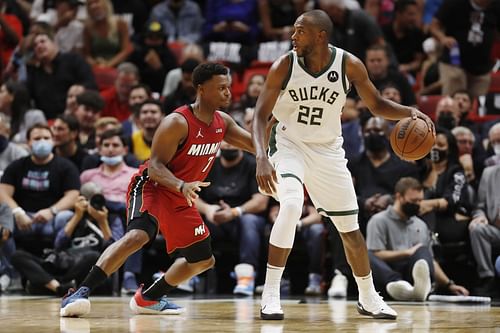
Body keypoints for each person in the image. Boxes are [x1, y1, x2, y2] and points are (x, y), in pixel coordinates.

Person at [252, 9, 434, 320]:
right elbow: (258, 116)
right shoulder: (284, 65)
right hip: (288, 145)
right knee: (293, 204)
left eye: (300, 31)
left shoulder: (348, 64)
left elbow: (375, 104)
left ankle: (368, 296)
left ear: (320, 36)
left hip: (328, 151)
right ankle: (270, 293)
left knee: (350, 229)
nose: (292, 37)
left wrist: (409, 111)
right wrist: (260, 157)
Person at [60, 62, 254, 317]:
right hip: (153, 186)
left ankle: (149, 297)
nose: (228, 93)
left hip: (181, 194)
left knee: (203, 260)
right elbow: (154, 167)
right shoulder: (177, 122)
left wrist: (277, 142)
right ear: (201, 89)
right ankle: (79, 292)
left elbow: (255, 146)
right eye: (221, 88)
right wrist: (181, 185)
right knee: (138, 237)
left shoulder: (223, 122)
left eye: (228, 87)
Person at [367, 177, 469, 302]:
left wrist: (449, 284)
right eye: (413, 201)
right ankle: (398, 285)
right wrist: (406, 253)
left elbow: (430, 260)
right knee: (366, 255)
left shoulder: (421, 224)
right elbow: (375, 254)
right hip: (387, 276)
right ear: (399, 197)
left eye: (420, 201)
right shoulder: (378, 220)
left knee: (422, 250)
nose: (418, 205)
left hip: (411, 272)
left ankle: (420, 289)